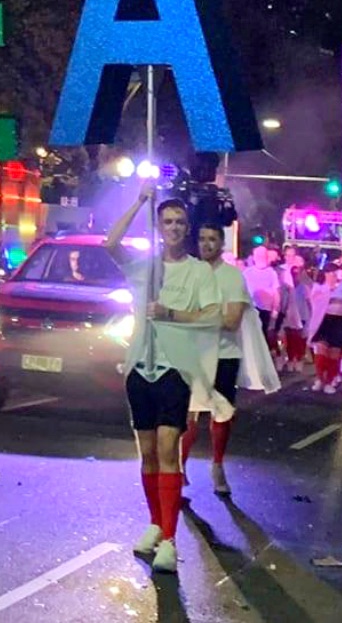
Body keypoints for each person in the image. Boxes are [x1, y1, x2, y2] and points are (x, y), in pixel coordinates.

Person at [103, 188, 225, 574]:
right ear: (158, 227)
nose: (172, 228)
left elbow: (211, 316)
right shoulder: (144, 267)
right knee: (149, 452)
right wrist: (139, 201)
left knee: (170, 448)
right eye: (166, 221)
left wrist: (170, 313)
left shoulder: (198, 271)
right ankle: (156, 523)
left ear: (186, 229)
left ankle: (170, 540)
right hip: (139, 365)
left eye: (179, 223)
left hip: (175, 368)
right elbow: (111, 243)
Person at [180, 222, 253, 496]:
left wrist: (193, 318)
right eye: (201, 238)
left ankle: (218, 465)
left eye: (212, 239)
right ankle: (180, 467)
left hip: (224, 355)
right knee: (187, 415)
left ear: (221, 243)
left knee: (221, 416)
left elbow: (232, 321)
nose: (206, 244)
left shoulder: (233, 277)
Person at [307, 268, 342, 393]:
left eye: (334, 274)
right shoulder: (318, 287)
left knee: (334, 353)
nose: (332, 276)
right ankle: (320, 379)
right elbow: (315, 303)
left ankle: (330, 380)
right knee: (321, 350)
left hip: (339, 322)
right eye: (330, 274)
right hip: (324, 322)